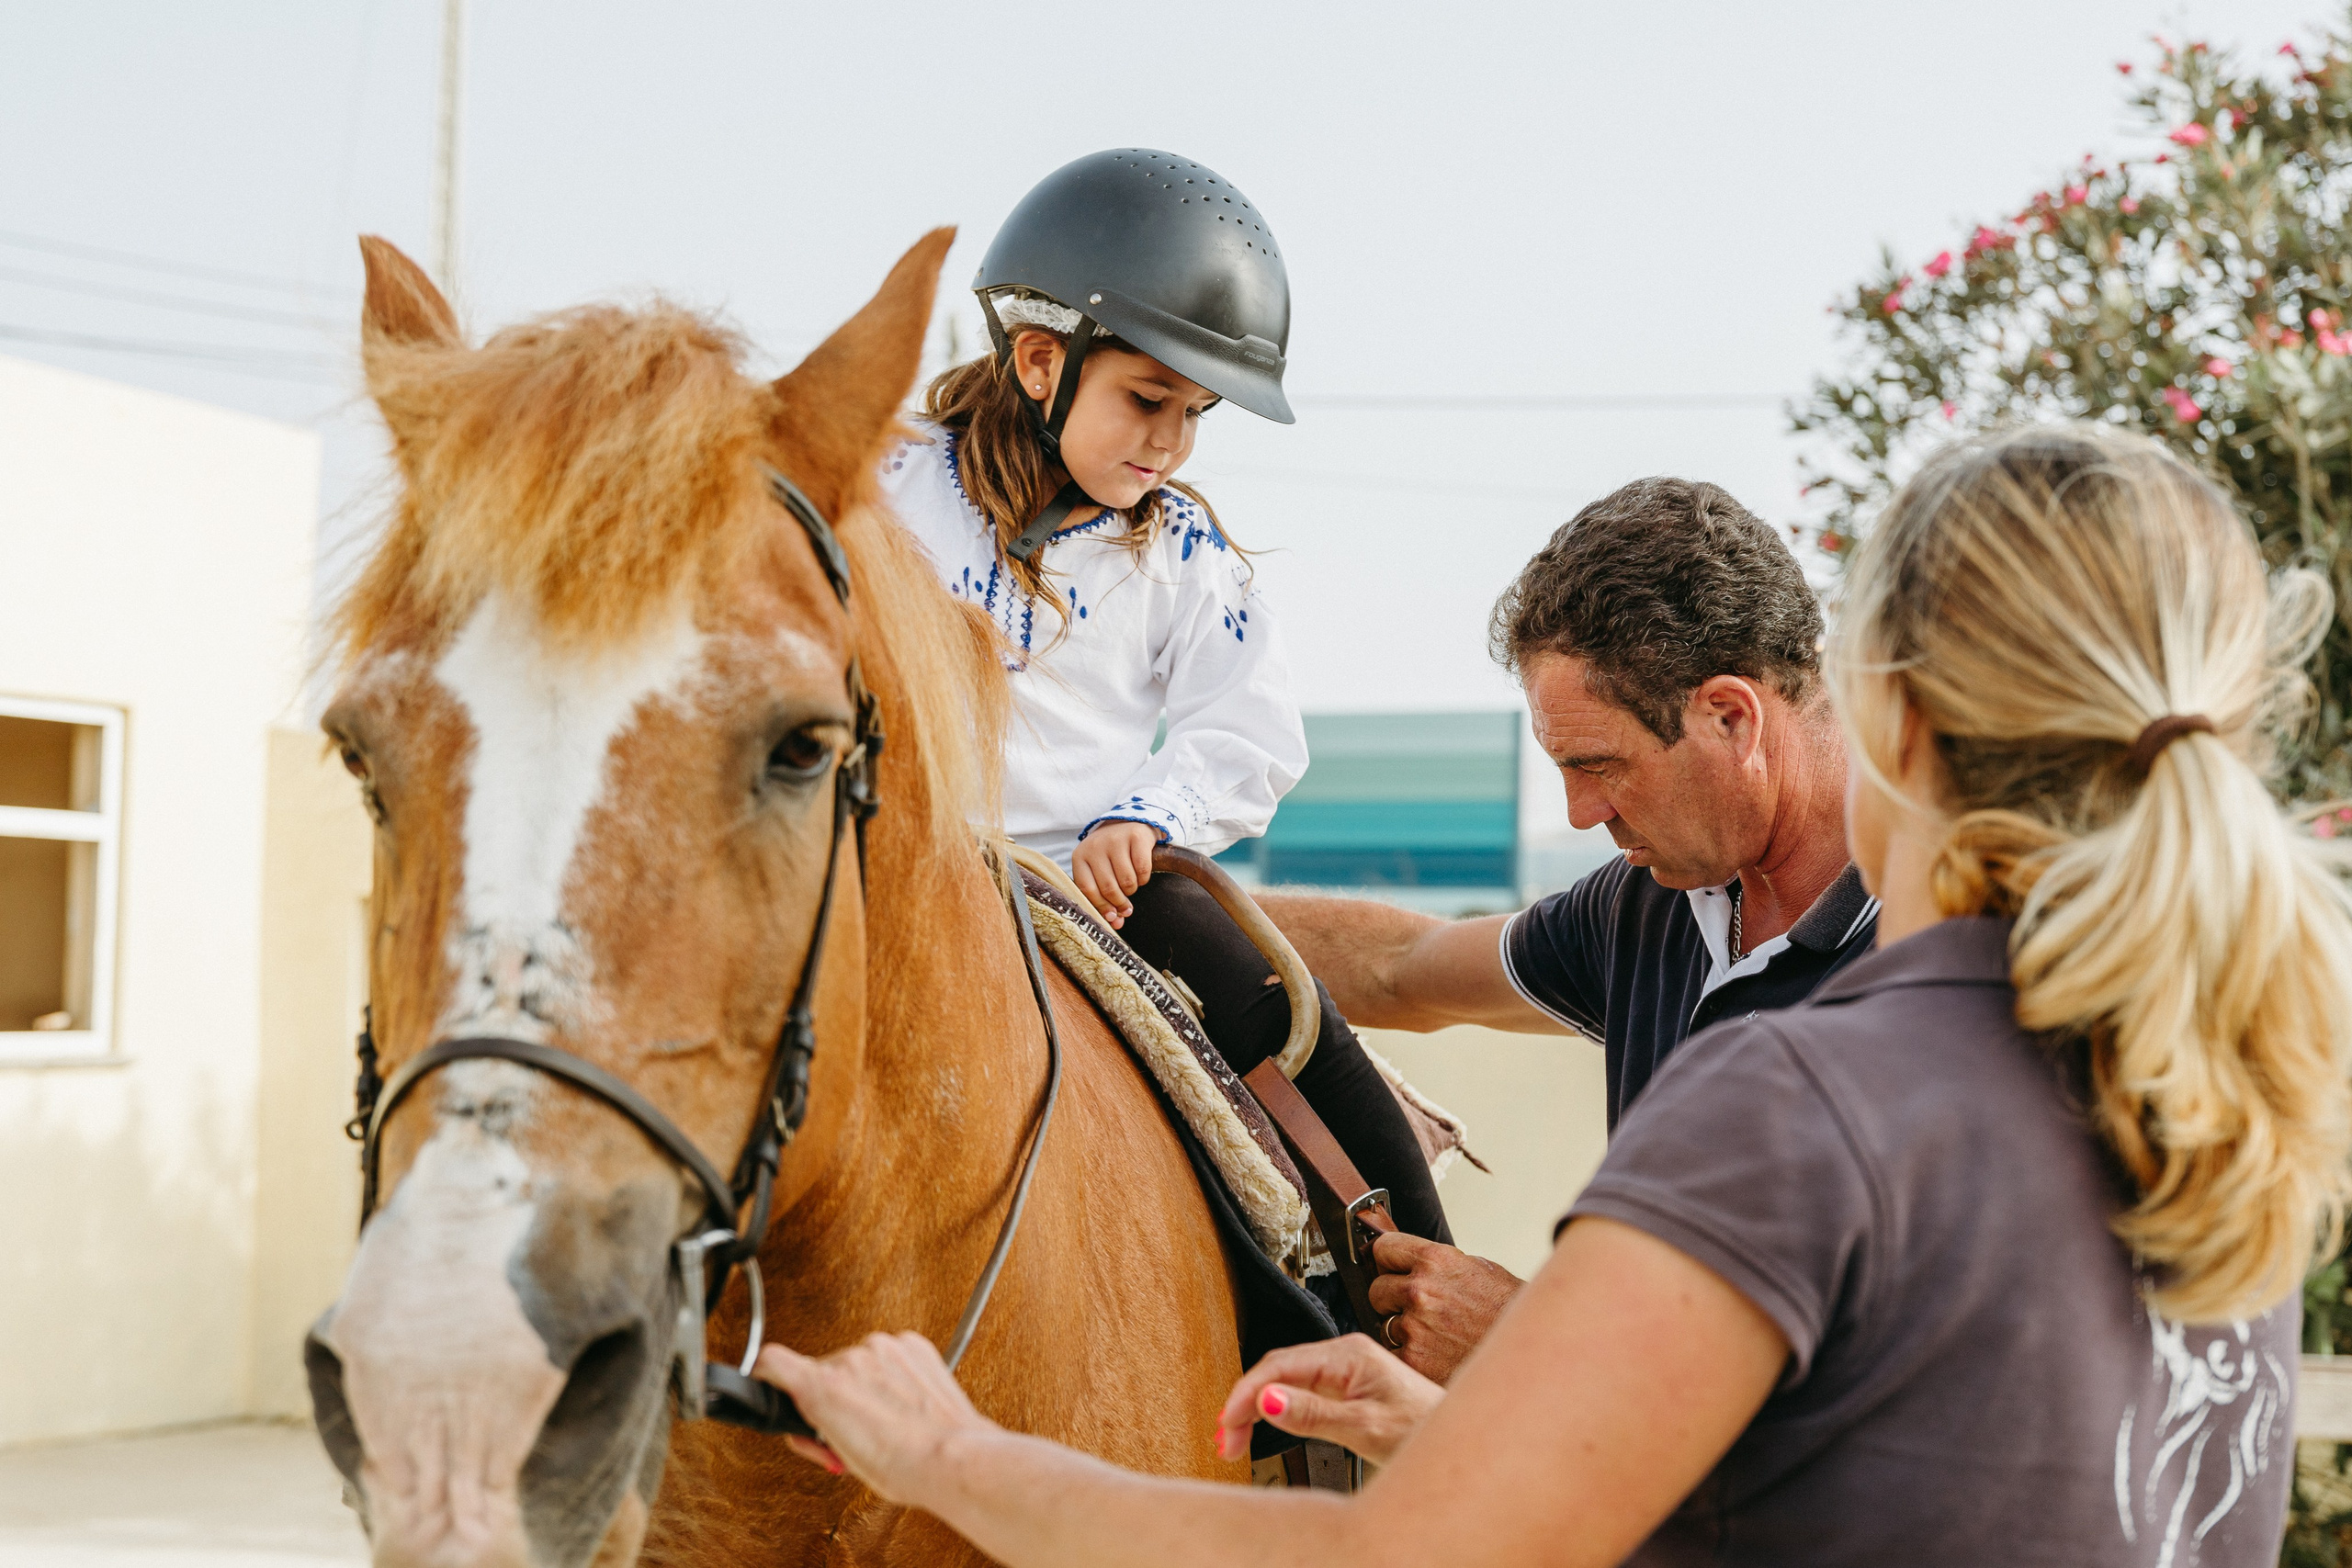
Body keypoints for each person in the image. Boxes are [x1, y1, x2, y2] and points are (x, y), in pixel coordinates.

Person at [757, 423, 2352, 1565]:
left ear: (1898, 720)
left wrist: (952, 1454)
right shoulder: (2217, 1083)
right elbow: (1911, 1483)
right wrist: (1060, 882)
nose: (1582, 809)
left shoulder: (1809, 1096)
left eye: (1593, 764)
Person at [879, 148, 1450, 1246]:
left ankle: (1402, 1287)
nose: (1172, 443)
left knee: (1284, 1016)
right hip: (893, 861)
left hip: (1093, 889)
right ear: (1041, 361)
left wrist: (1146, 819)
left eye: (1194, 413)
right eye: (1147, 400)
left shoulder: (1180, 547)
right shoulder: (885, 482)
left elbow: (1250, 729)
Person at [1260, 478, 1877, 1378]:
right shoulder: (1655, 906)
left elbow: (1896, 1376)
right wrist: (1107, 901)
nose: (1582, 814)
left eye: (1600, 765)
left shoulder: (1947, 950)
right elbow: (1402, 967)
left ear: (1732, 717)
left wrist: (1533, 1343)